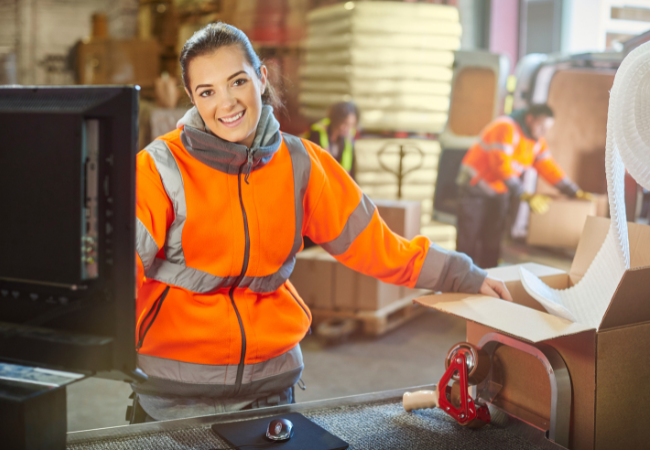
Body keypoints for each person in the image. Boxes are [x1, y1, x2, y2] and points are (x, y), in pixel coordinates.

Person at [130, 22, 512, 423]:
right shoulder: (160, 167)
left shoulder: (302, 165)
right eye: (207, 91)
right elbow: (120, 268)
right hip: (173, 398)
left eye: (236, 82)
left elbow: (377, 246)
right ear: (192, 98)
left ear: (261, 79)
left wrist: (459, 274)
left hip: (270, 390)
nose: (226, 103)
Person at [456, 104, 592, 269]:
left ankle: (487, 281)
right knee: (468, 240)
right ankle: (458, 283)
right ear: (530, 119)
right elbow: (500, 166)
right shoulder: (505, 128)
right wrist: (524, 194)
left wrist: (573, 191)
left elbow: (549, 168)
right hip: (474, 189)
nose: (543, 132)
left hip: (499, 192)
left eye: (547, 128)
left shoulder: (537, 142)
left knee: (493, 241)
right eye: (541, 126)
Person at [305, 101, 359, 179]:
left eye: (351, 125)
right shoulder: (316, 134)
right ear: (335, 120)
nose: (348, 129)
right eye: (345, 123)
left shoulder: (348, 140)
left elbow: (352, 172)